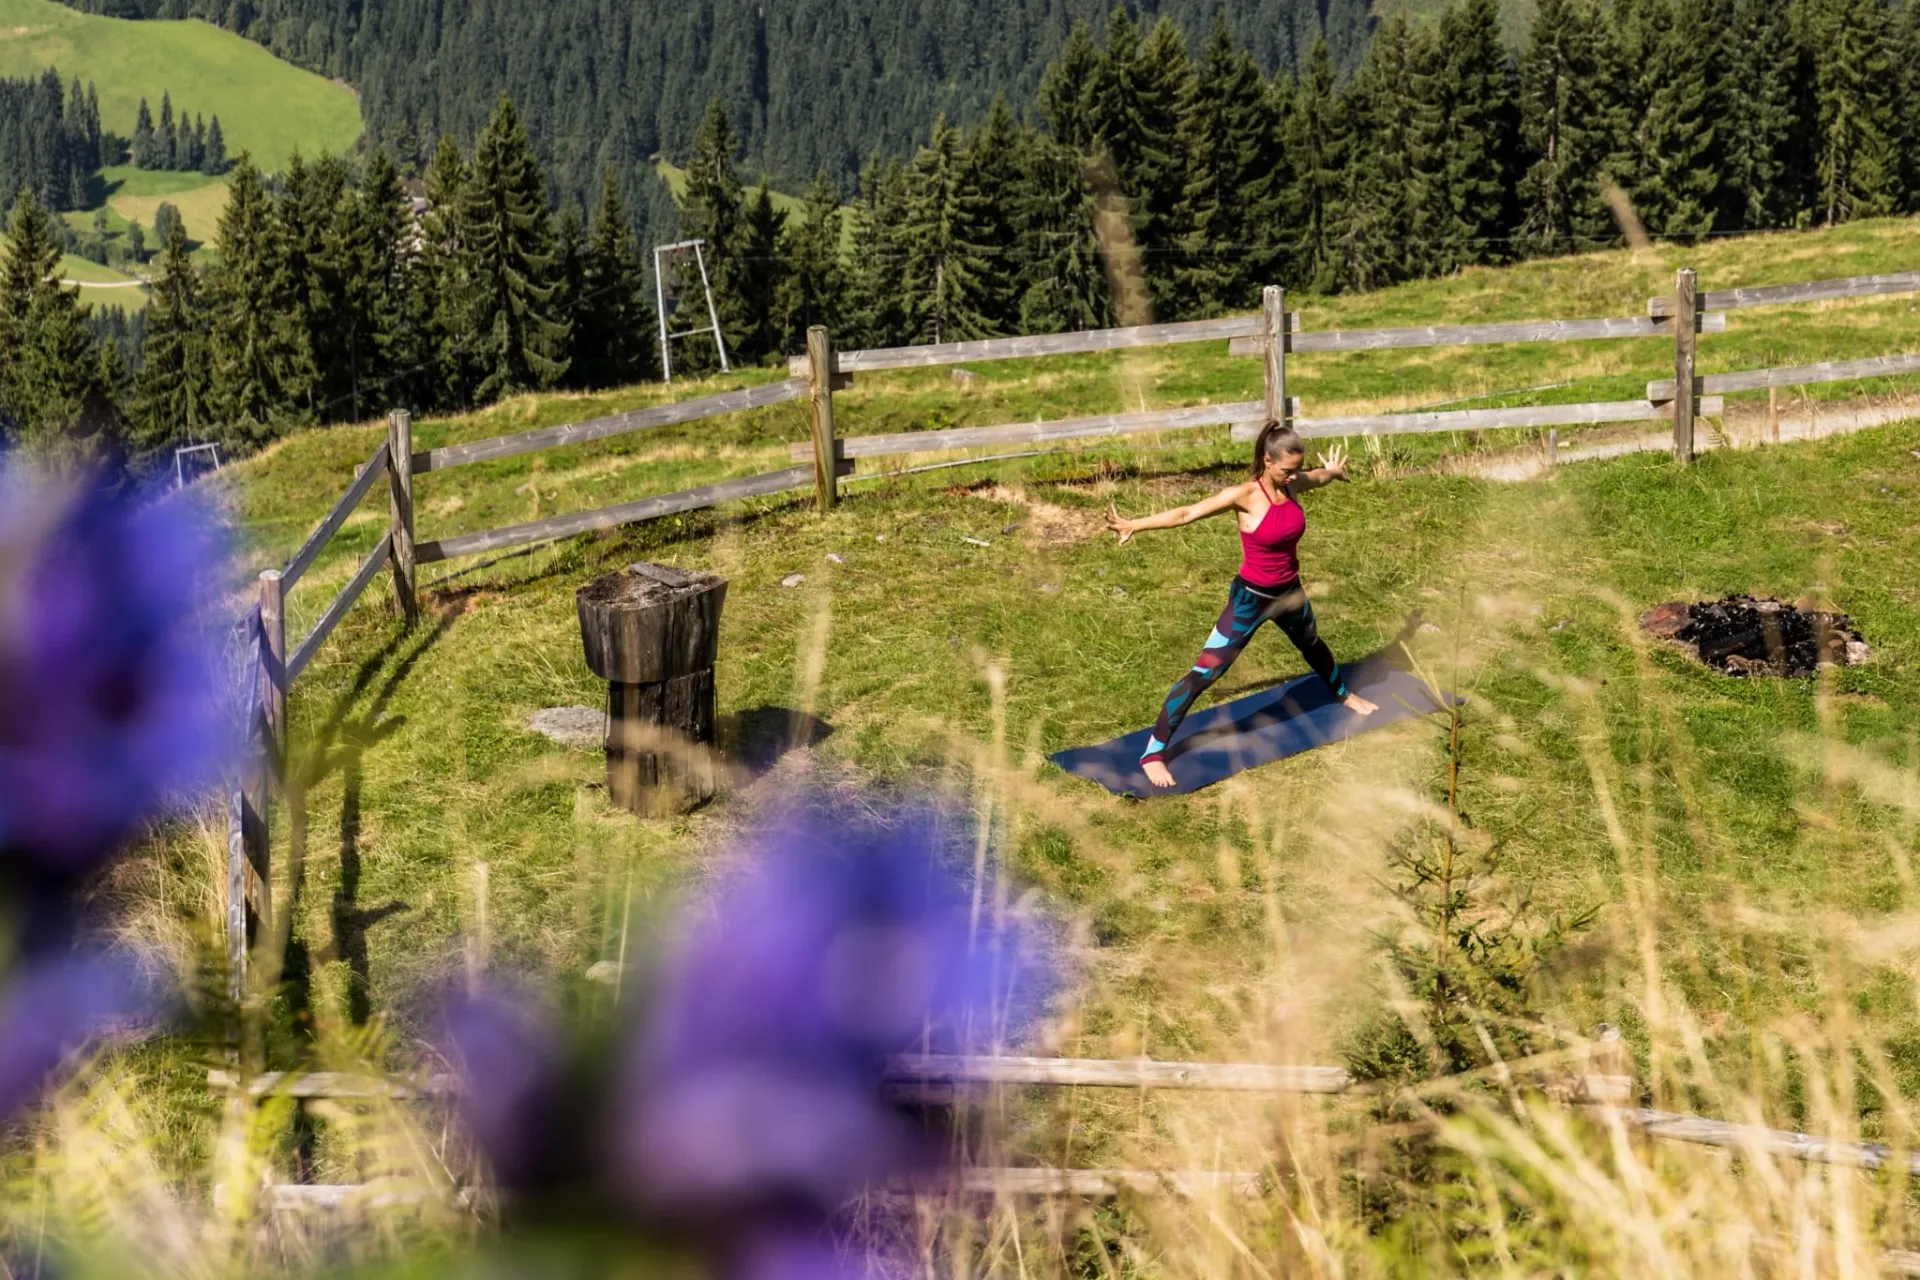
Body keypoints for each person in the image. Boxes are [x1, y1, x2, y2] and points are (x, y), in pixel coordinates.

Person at [1105, 422, 1376, 789]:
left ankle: (1344, 695)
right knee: (1205, 674)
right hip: (1250, 599)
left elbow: (1317, 476)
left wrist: (1333, 472)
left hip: (1290, 592)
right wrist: (1136, 524)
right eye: (1286, 469)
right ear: (1267, 460)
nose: (1293, 475)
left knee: (1312, 643)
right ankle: (1152, 752)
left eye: (1297, 468)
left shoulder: (1294, 483)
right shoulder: (1245, 495)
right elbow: (1187, 513)